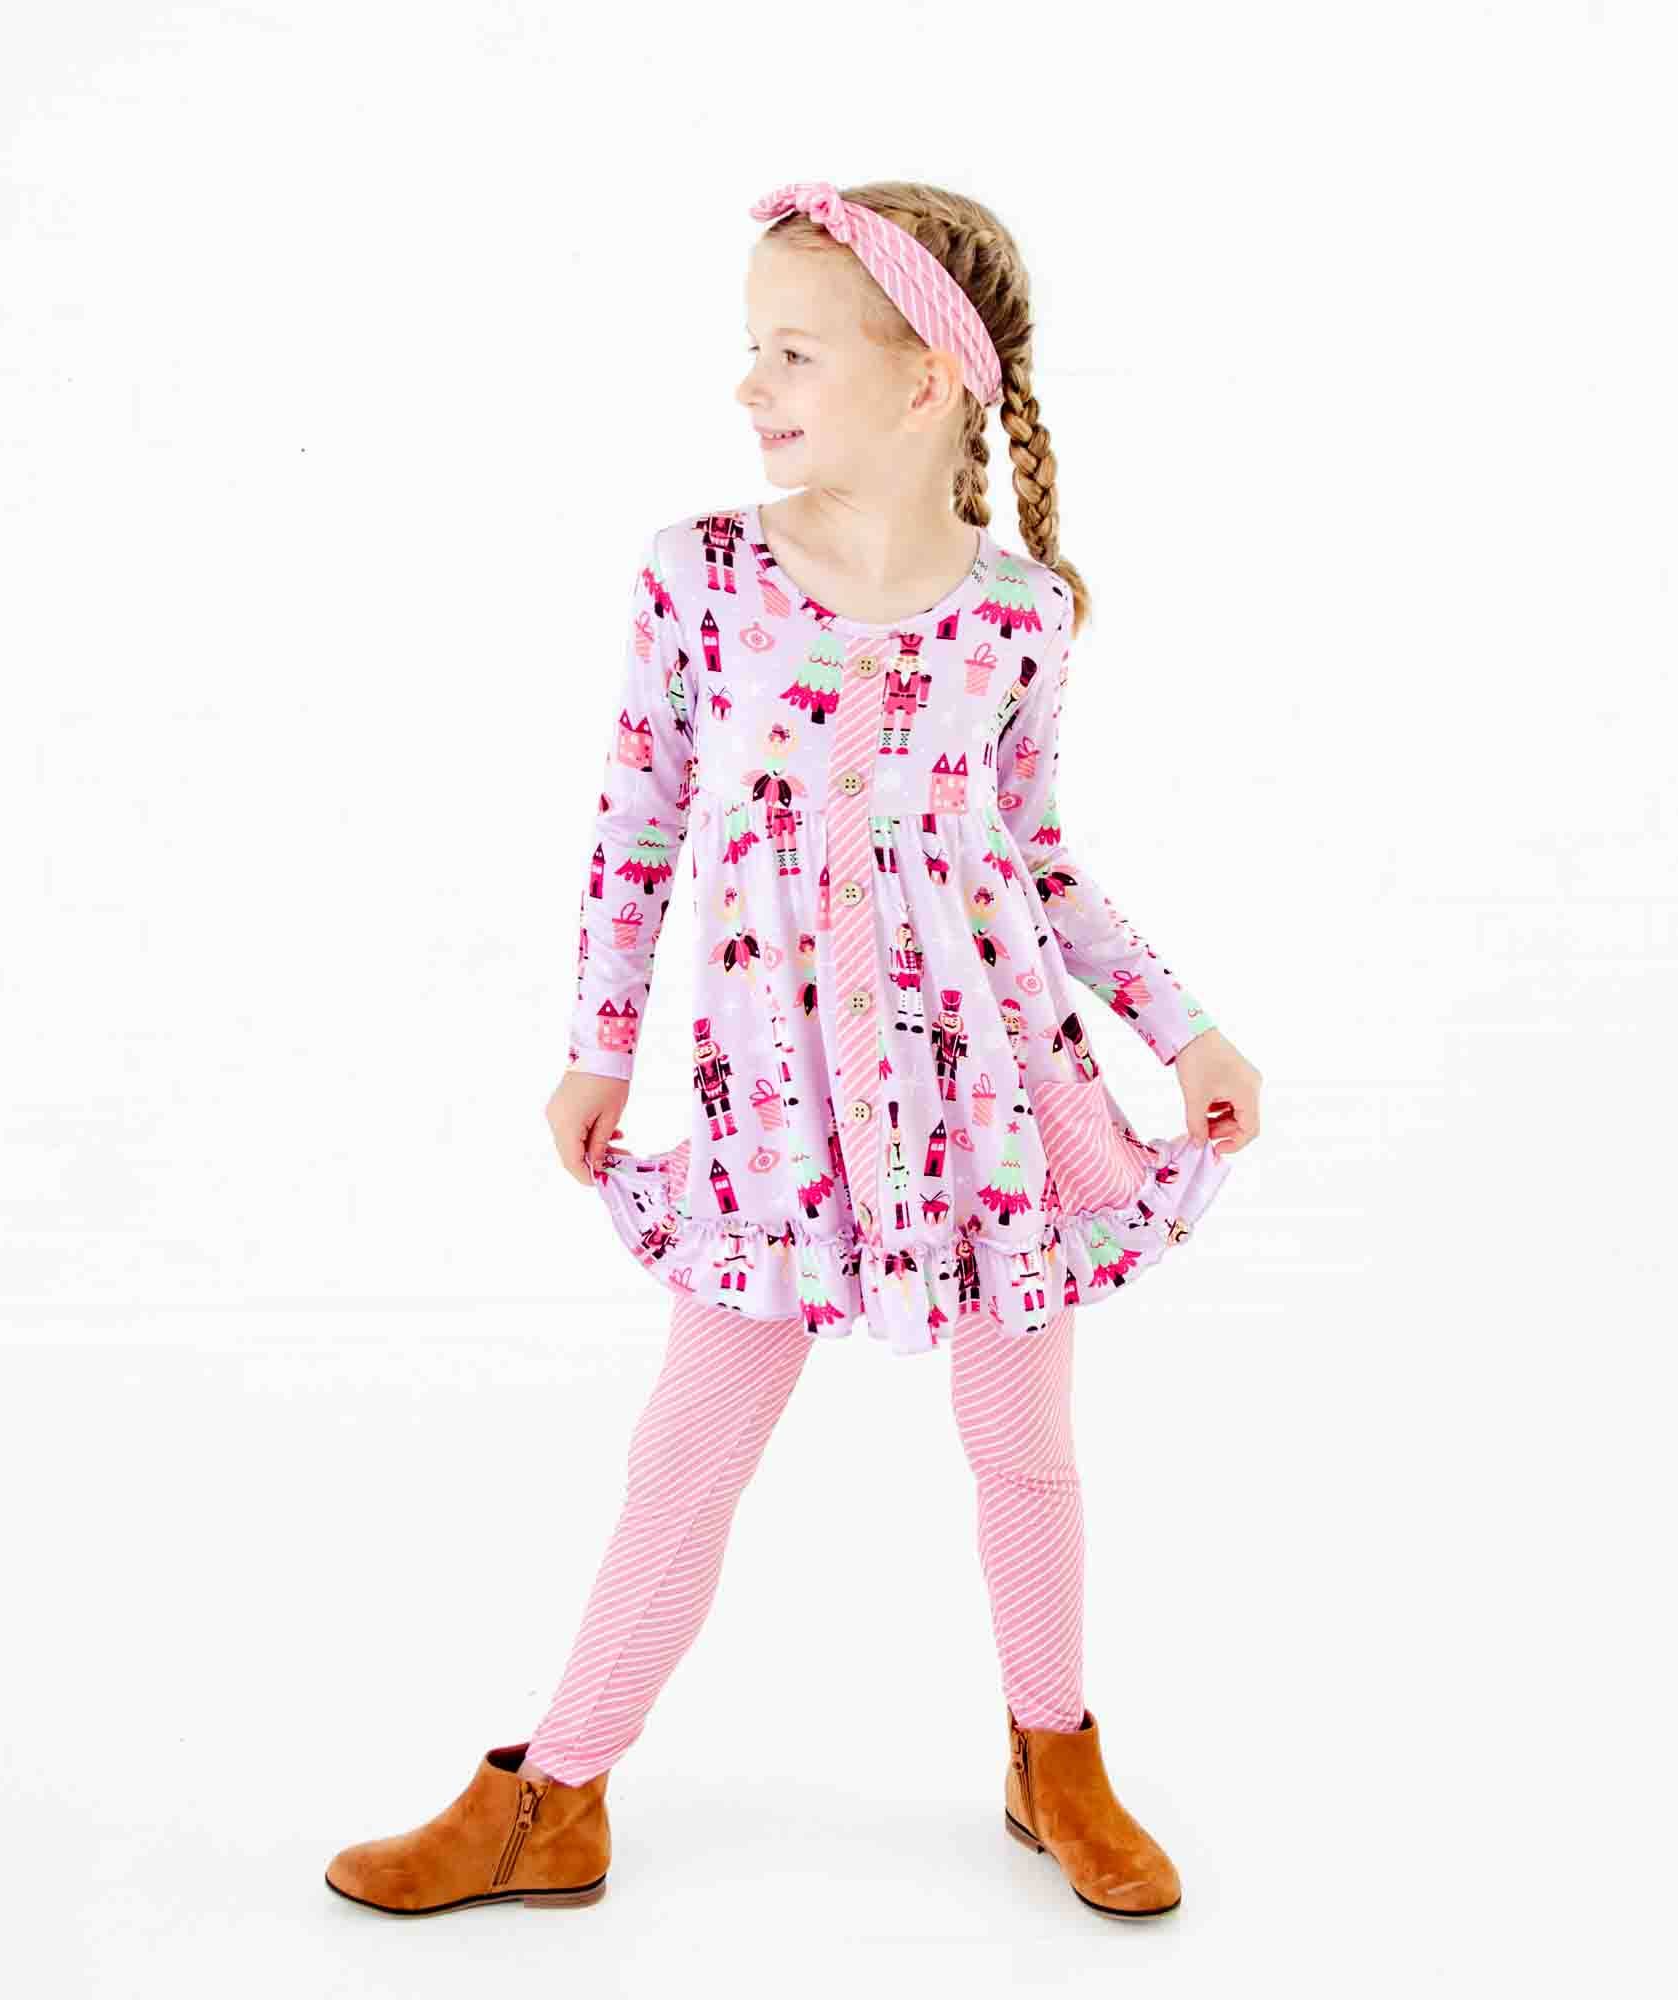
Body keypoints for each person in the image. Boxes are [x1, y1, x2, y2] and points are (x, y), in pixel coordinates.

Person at [324, 176, 1262, 1926]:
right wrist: (601, 1048)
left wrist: (1184, 1027)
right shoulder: (701, 576)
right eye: (751, 347)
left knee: (1024, 1445)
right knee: (691, 1449)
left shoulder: (1017, 612)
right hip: (778, 1101)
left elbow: (1037, 856)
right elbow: (639, 824)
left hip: (990, 1096)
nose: (750, 385)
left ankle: (1055, 1762)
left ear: (927, 381)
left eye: (793, 353)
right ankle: (553, 1796)